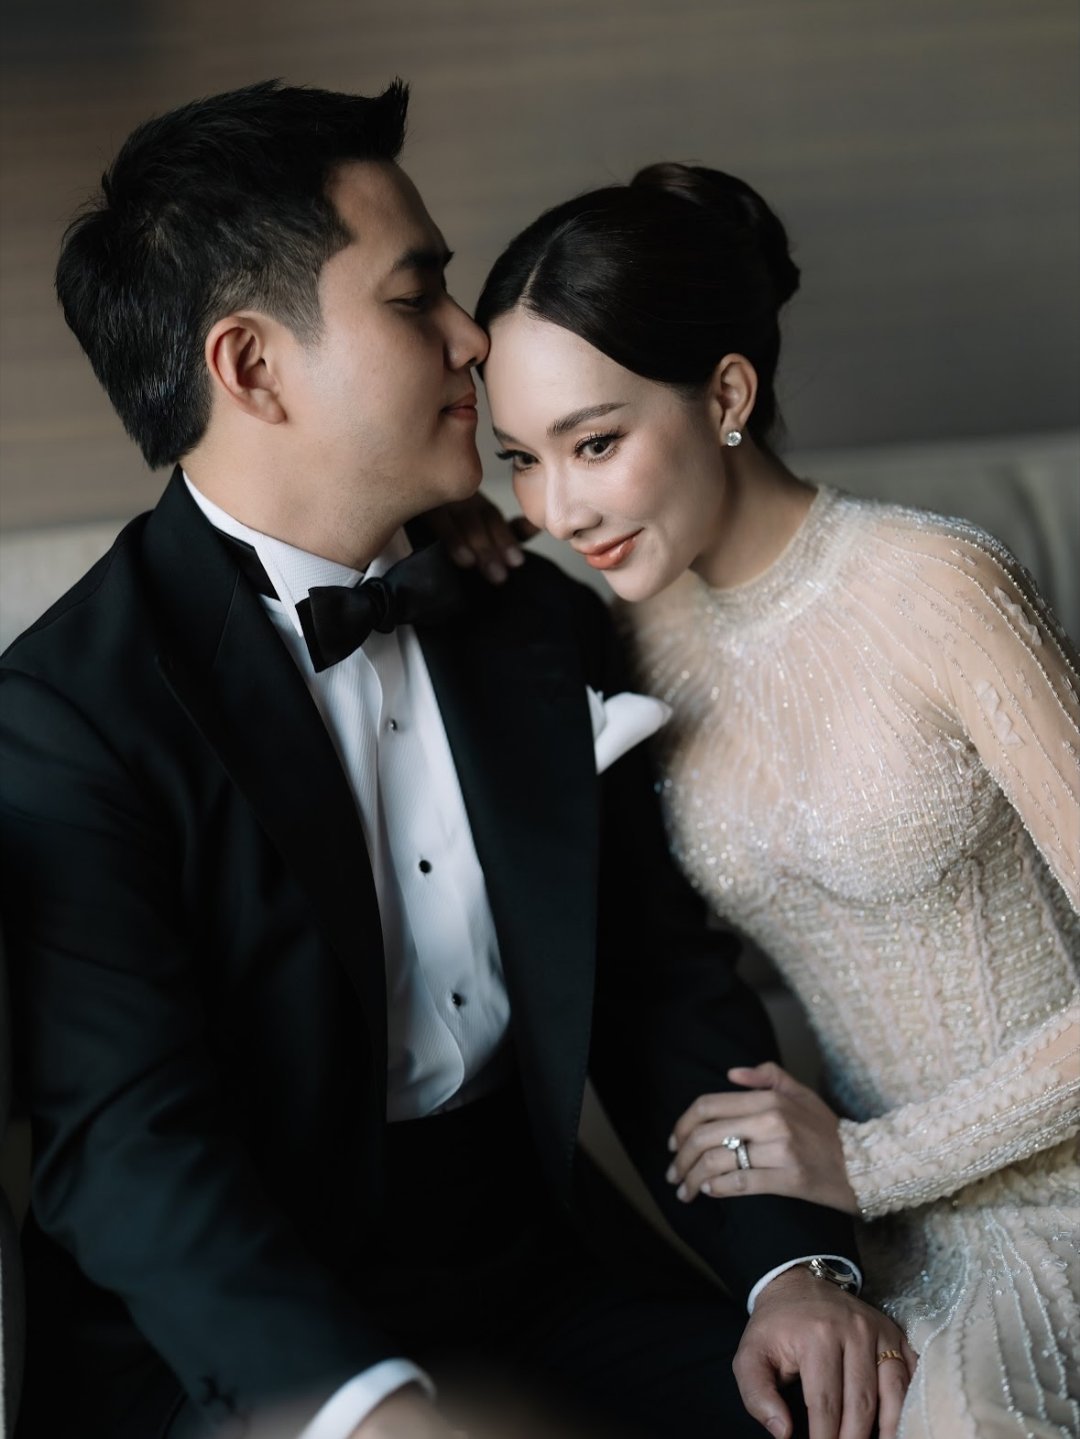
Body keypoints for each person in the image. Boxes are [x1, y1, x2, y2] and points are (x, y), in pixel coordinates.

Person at [0, 85, 913, 1439]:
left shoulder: (529, 615)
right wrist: (365, 1408)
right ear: (251, 366)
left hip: (536, 1281)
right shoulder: (67, 714)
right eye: (414, 293)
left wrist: (796, 1271)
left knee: (862, 1414)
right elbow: (128, 1147)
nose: (473, 334)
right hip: (233, 1355)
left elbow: (659, 985)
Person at [462, 162, 1080, 1438]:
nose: (558, 508)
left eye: (595, 442)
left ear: (729, 395)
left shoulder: (942, 585)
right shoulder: (626, 637)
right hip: (868, 1235)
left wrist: (869, 1161)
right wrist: (440, 533)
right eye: (519, 458)